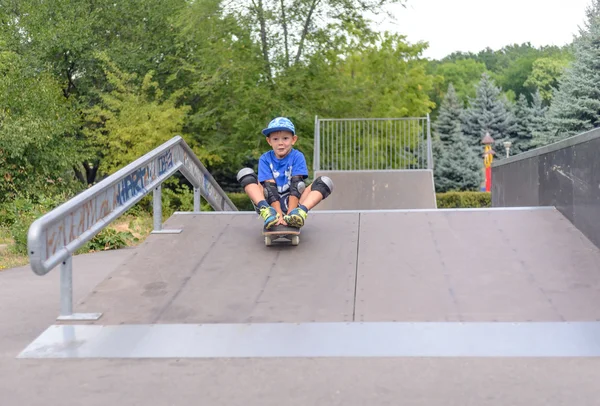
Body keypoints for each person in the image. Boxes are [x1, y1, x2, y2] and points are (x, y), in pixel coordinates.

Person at [236, 117, 334, 230]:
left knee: (325, 182)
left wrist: (289, 215)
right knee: (245, 174)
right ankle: (268, 212)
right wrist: (277, 216)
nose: (280, 143)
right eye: (276, 139)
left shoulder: (297, 156)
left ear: (293, 139)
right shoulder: (265, 158)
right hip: (269, 201)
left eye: (285, 138)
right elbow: (269, 189)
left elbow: (296, 186)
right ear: (269, 141)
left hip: (294, 201)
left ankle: (299, 213)